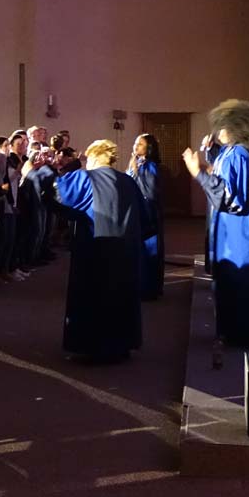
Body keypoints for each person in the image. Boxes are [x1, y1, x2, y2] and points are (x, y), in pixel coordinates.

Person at [184, 99, 249, 348]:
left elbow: (232, 199)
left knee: (242, 288)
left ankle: (242, 338)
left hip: (240, 238)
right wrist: (209, 170)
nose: (217, 132)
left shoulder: (238, 155)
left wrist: (198, 173)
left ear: (235, 127)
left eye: (222, 126)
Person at [55, 139, 144, 362]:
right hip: (125, 250)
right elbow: (144, 216)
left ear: (94, 156)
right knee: (120, 296)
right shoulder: (128, 181)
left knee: (94, 297)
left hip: (95, 248)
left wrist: (36, 173)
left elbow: (59, 196)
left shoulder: (86, 177)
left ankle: (94, 349)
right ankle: (121, 345)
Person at [127, 133, 164, 301]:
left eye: (140, 144)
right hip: (137, 211)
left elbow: (150, 193)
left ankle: (149, 289)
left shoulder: (150, 166)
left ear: (149, 148)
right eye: (135, 143)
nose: (136, 146)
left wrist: (135, 172)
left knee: (150, 249)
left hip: (148, 213)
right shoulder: (136, 163)